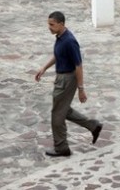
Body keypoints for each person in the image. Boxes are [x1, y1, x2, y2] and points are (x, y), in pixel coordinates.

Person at [35, 11, 102, 157]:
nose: (49, 27)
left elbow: (79, 66)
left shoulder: (70, 41)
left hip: (67, 80)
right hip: (61, 78)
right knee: (64, 110)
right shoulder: (60, 37)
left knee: (57, 114)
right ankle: (93, 125)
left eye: (52, 24)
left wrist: (81, 89)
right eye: (48, 24)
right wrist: (44, 68)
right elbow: (58, 55)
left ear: (61, 24)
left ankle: (61, 147)